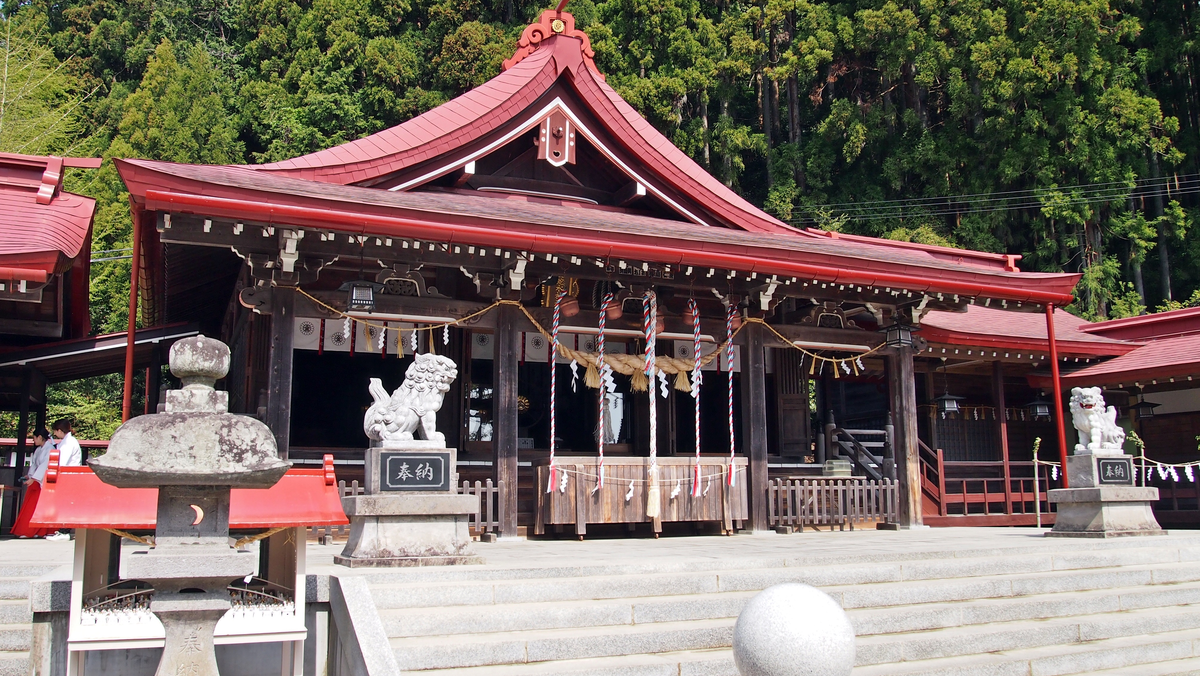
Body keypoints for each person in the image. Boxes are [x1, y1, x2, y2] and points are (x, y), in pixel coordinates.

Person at [10, 428, 56, 538]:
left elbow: (45, 465)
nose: (33, 440)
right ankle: (33, 530)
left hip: (43, 482)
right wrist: (29, 475)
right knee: (31, 506)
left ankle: (32, 531)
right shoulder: (39, 450)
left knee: (35, 507)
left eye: (34, 438)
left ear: (40, 437)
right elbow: (35, 464)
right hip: (36, 480)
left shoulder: (50, 449)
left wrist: (34, 478)